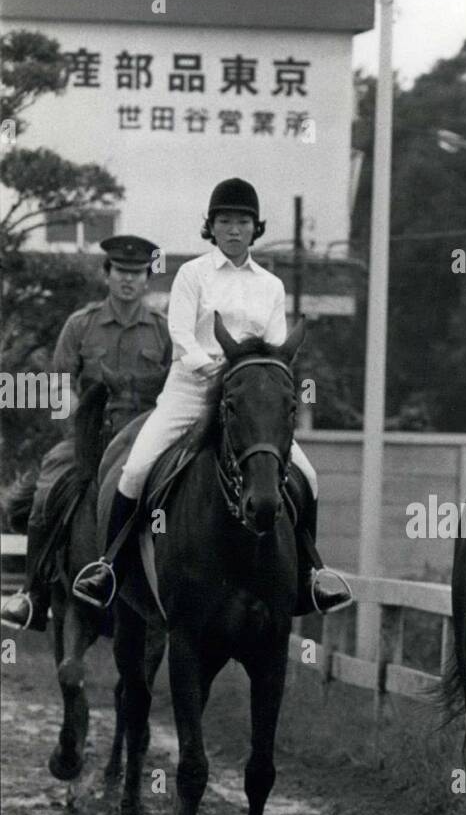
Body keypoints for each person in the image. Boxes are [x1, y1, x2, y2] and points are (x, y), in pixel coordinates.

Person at [70, 179, 353, 617]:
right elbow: (181, 334)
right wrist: (216, 369)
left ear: (255, 228)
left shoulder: (271, 286)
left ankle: (309, 577)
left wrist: (257, 380)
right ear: (212, 227)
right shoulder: (192, 274)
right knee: (136, 468)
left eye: (242, 222)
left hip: (250, 401)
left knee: (308, 476)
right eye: (225, 221)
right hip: (192, 388)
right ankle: (109, 568)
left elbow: (276, 345)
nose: (234, 230)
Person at [1, 235, 170, 631]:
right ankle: (32, 593)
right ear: (107, 275)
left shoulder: (163, 330)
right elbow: (59, 384)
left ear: (147, 279)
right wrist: (75, 426)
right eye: (121, 272)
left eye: (137, 273)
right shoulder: (81, 324)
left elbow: (175, 389)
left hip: (146, 440)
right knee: (47, 484)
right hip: (89, 438)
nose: (129, 280)